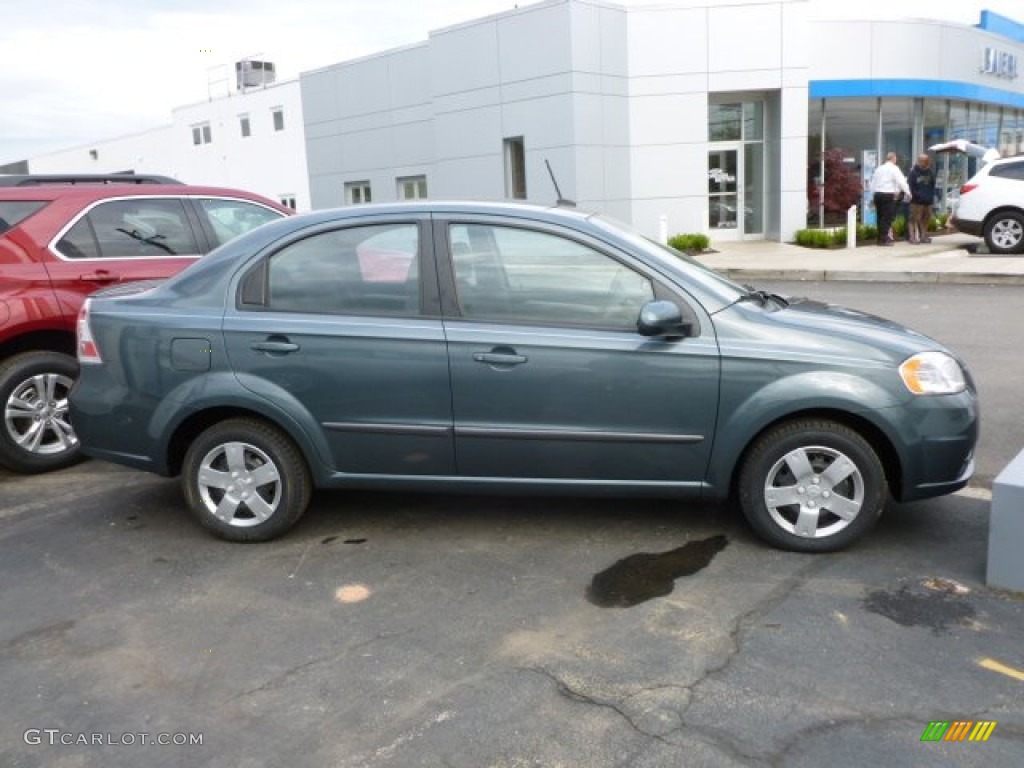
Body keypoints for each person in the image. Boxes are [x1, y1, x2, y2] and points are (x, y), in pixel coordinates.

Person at [870, 152, 911, 246]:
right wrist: (908, 193)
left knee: (879, 217)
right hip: (887, 195)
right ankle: (884, 239)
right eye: (896, 158)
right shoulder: (894, 168)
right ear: (894, 158)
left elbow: (873, 182)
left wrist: (873, 195)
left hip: (878, 194)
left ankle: (880, 238)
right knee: (886, 218)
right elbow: (901, 181)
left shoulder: (879, 168)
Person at [907, 153, 937, 244]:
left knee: (926, 219)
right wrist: (917, 195)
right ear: (920, 161)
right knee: (914, 219)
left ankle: (923, 236)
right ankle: (912, 237)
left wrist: (931, 196)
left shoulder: (930, 172)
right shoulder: (913, 173)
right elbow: (911, 187)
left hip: (928, 201)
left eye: (928, 160)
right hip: (916, 201)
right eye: (926, 161)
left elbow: (933, 185)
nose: (928, 162)